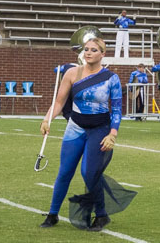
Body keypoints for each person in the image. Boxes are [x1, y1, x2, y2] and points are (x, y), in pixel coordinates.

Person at [39, 36, 136, 230]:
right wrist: (47, 119)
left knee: (89, 173)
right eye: (86, 49)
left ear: (102, 53)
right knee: (64, 171)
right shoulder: (72, 73)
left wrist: (113, 134)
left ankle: (101, 215)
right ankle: (52, 214)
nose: (89, 53)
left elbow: (117, 109)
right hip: (75, 127)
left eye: (93, 50)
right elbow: (59, 102)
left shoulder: (111, 78)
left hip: (100, 129)